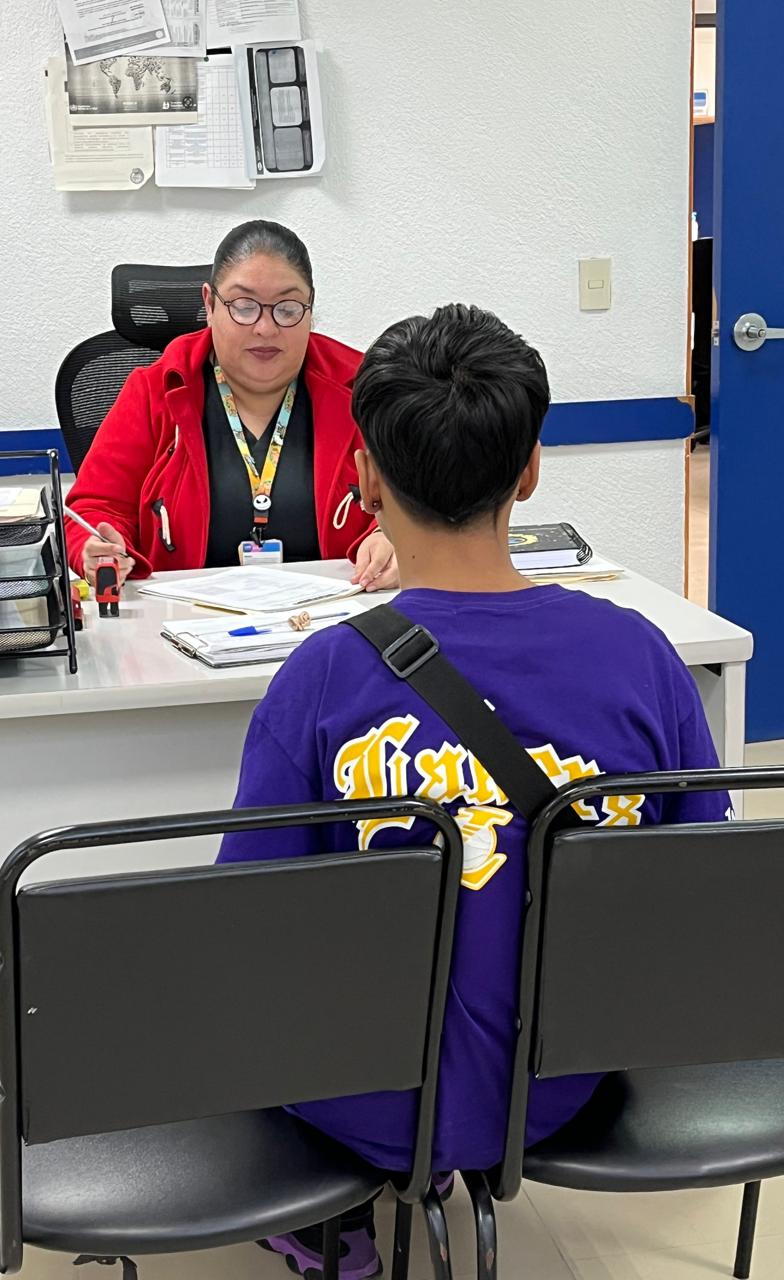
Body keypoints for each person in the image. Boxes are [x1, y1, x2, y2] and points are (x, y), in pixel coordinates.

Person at [217, 303, 729, 1280]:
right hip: (562, 1086)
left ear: (365, 475)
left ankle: (338, 1220)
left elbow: (247, 927)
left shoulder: (320, 677)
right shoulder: (640, 655)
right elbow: (701, 887)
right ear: (530, 469)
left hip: (361, 1095)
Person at [64, 221, 398, 590]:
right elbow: (93, 511)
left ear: (310, 306)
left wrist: (392, 538)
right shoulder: (156, 390)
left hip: (336, 610)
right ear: (209, 304)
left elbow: (417, 502)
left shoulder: (364, 388)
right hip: (181, 614)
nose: (265, 328)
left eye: (287, 309)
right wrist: (98, 548)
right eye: (244, 306)